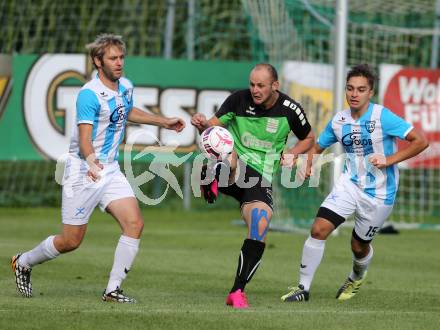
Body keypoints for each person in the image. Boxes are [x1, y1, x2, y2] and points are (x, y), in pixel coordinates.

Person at [11, 34, 185, 303]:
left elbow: (127, 111)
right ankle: (24, 261)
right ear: (98, 61)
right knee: (71, 241)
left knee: (134, 223)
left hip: (110, 170)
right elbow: (84, 139)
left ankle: (112, 290)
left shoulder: (125, 85)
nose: (119, 63)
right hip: (83, 170)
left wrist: (163, 122)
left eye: (121, 57)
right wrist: (92, 161)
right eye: (113, 58)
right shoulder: (89, 95)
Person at [281, 64, 428, 303]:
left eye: (361, 89)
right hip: (349, 185)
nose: (354, 94)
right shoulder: (339, 120)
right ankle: (302, 288)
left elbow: (420, 141)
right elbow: (318, 146)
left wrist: (389, 160)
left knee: (359, 247)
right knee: (319, 229)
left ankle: (356, 276)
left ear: (371, 93)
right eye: (350, 88)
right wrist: (308, 164)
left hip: (380, 195)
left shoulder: (383, 117)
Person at [191, 63, 315, 309]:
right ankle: (213, 175)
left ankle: (237, 291)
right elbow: (214, 128)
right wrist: (203, 124)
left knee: (260, 223)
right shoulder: (238, 100)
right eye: (252, 84)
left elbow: (309, 138)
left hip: (260, 178)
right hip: (236, 166)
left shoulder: (290, 109)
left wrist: (292, 153)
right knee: (228, 152)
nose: (255, 90)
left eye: (261, 85)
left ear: (274, 86)